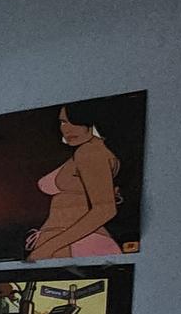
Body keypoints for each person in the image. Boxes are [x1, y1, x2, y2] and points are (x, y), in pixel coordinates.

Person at [26, 102, 124, 261]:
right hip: (67, 242)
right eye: (63, 122)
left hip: (74, 243)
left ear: (92, 122)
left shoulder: (90, 152)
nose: (67, 128)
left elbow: (105, 209)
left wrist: (47, 248)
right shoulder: (86, 152)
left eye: (75, 121)